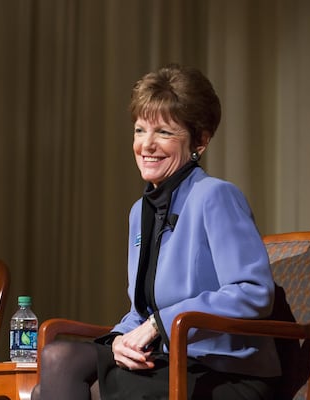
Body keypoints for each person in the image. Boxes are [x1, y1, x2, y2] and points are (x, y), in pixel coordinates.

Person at [32, 64, 281, 399]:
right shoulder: (140, 211)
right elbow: (141, 309)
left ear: (200, 140)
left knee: (57, 389)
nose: (146, 145)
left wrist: (156, 325)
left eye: (164, 132)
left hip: (222, 371)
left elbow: (253, 292)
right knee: (58, 357)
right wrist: (120, 340)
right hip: (168, 360)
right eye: (139, 130)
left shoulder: (215, 196)